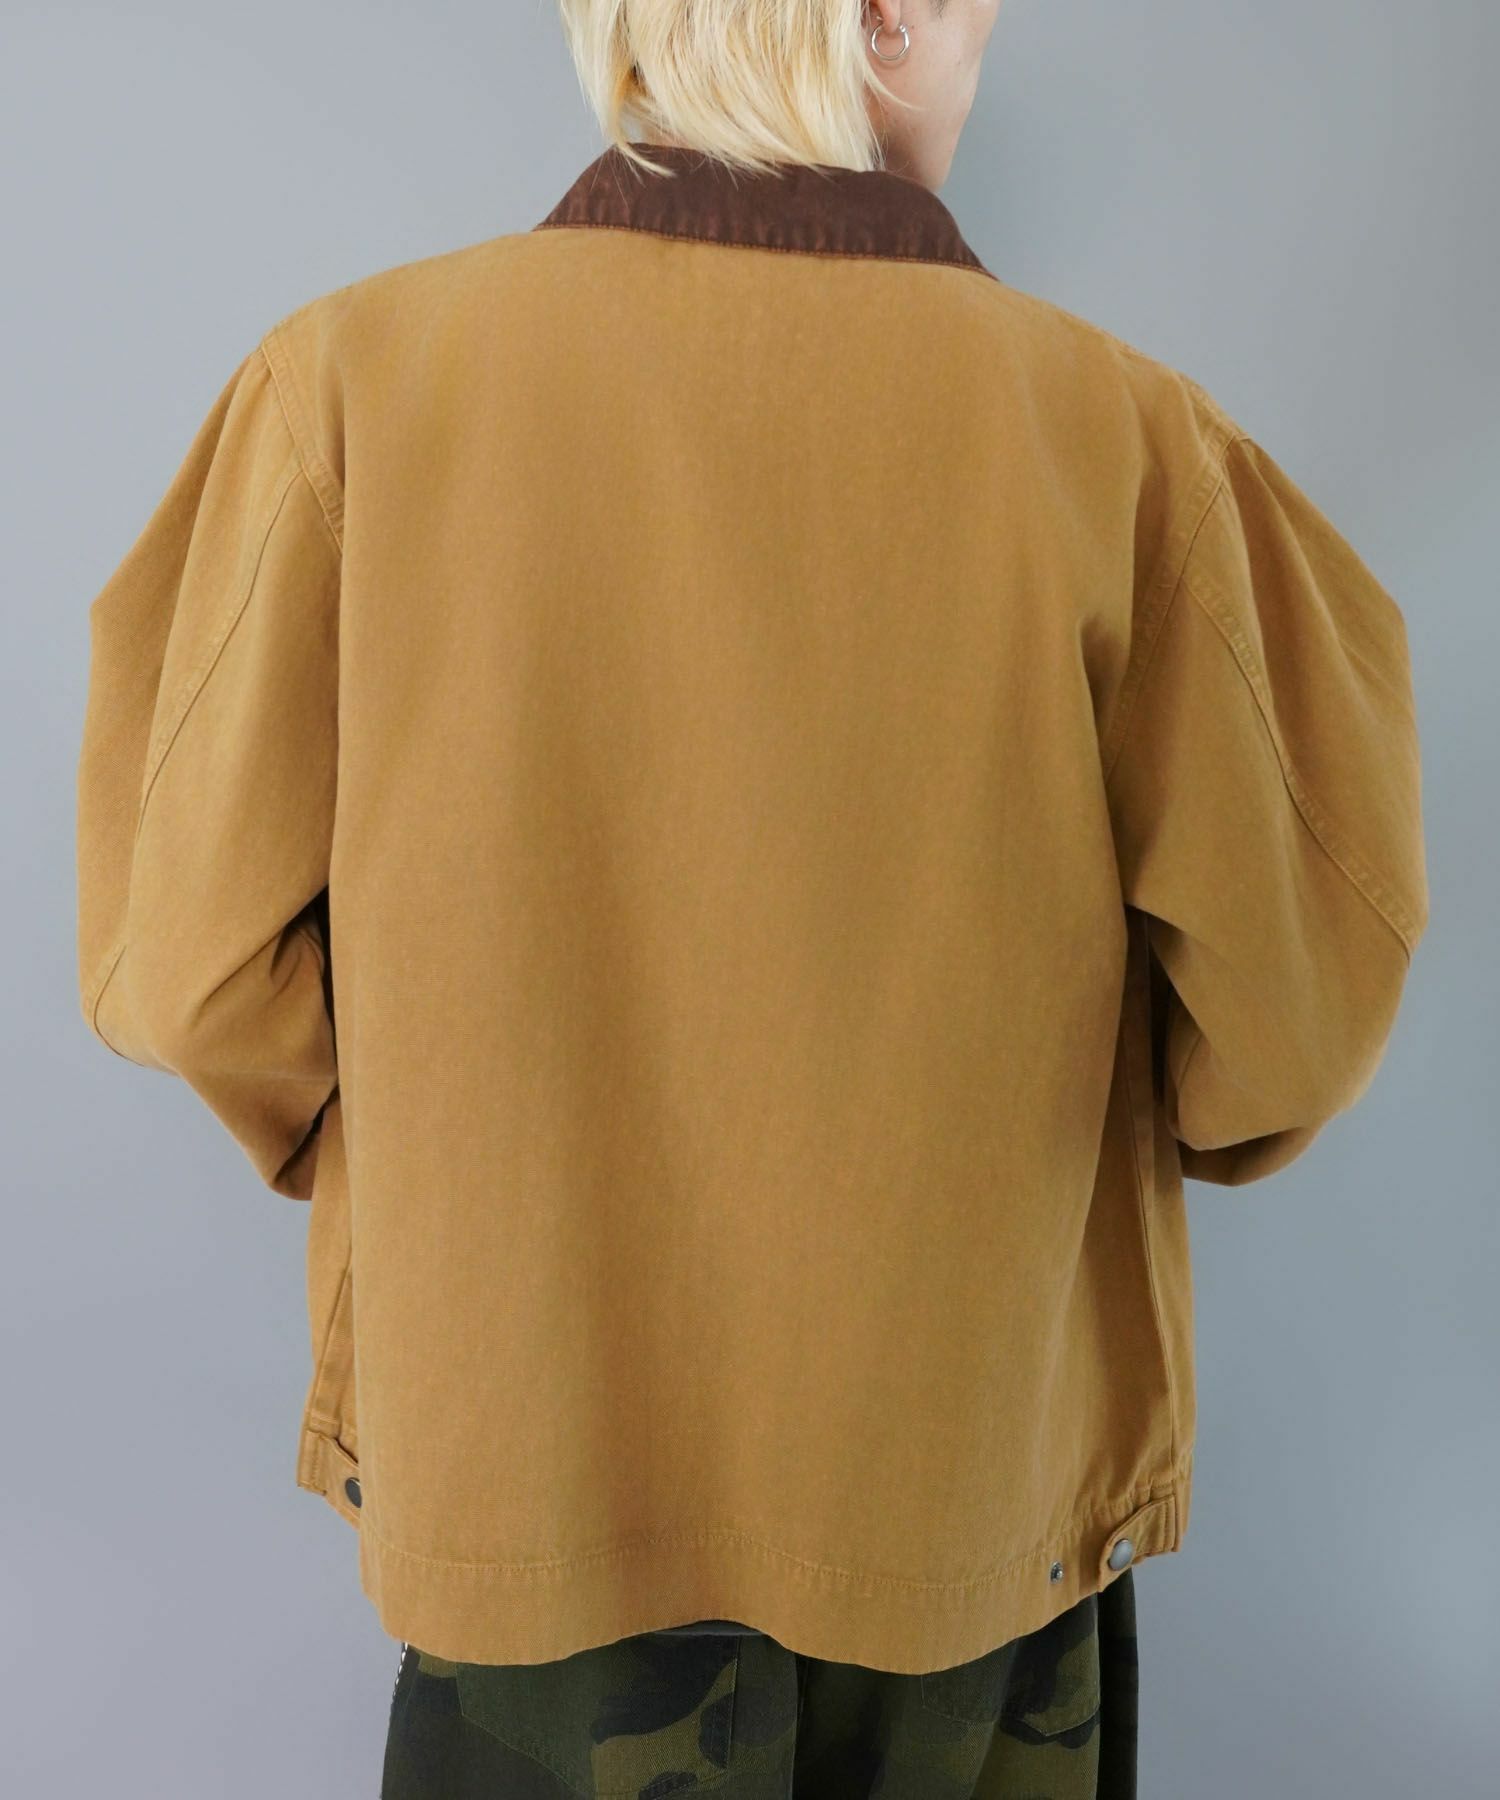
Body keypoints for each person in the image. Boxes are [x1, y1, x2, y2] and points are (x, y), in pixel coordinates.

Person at [73, 2, 1429, 1796]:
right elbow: (1298, 1014)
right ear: (890, 16)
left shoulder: (347, 389)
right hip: (958, 1496)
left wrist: (439, 1164)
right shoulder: (1122, 440)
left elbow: (184, 966)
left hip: (524, 1470)